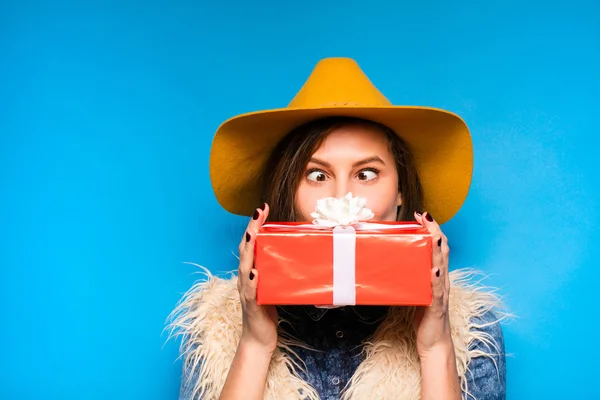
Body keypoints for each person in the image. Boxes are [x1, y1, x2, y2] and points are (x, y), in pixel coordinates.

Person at [167, 58, 506, 400]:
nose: (342, 196)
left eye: (366, 174)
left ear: (401, 192)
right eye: (317, 175)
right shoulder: (213, 329)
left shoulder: (472, 332)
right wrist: (254, 345)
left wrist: (435, 349)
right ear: (289, 192)